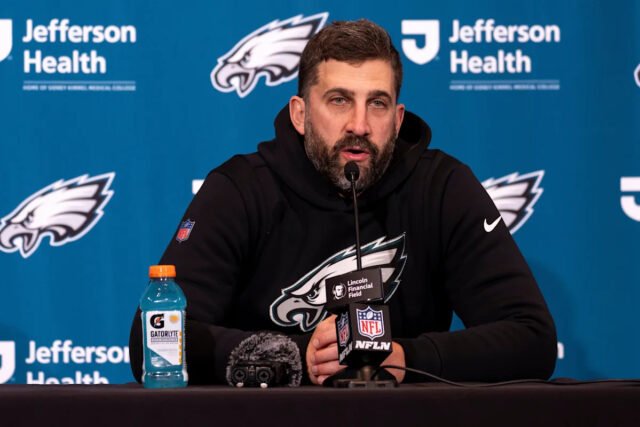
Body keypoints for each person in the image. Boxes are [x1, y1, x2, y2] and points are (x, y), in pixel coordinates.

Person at [129, 19, 557, 385]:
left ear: (398, 119)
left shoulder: (442, 188)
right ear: (300, 114)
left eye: (378, 103)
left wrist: (407, 358)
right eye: (339, 100)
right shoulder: (239, 190)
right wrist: (296, 356)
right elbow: (153, 341)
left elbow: (532, 338)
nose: (359, 125)